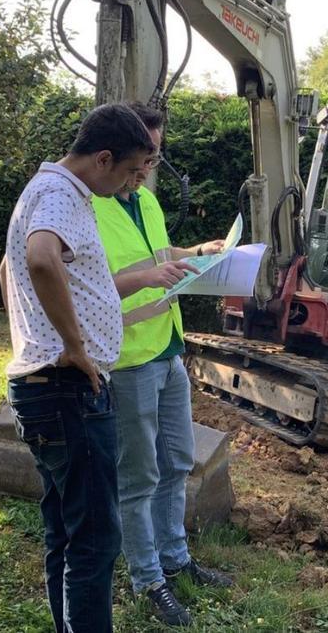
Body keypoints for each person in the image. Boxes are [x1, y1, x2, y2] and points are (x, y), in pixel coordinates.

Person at [0, 103, 155, 632]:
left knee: (66, 531)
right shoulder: (61, 194)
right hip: (68, 389)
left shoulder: (45, 190)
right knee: (94, 539)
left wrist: (28, 334)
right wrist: (71, 345)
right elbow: (40, 259)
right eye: (132, 170)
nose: (134, 183)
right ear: (104, 158)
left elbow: (8, 268)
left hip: (47, 385)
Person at [92, 103, 232, 627]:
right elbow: (93, 280)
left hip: (168, 348)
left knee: (176, 460)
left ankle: (176, 559)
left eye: (156, 154)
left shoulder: (145, 200)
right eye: (143, 154)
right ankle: (148, 577)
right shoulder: (92, 204)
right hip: (128, 358)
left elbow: (158, 252)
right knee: (139, 473)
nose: (150, 164)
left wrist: (197, 250)